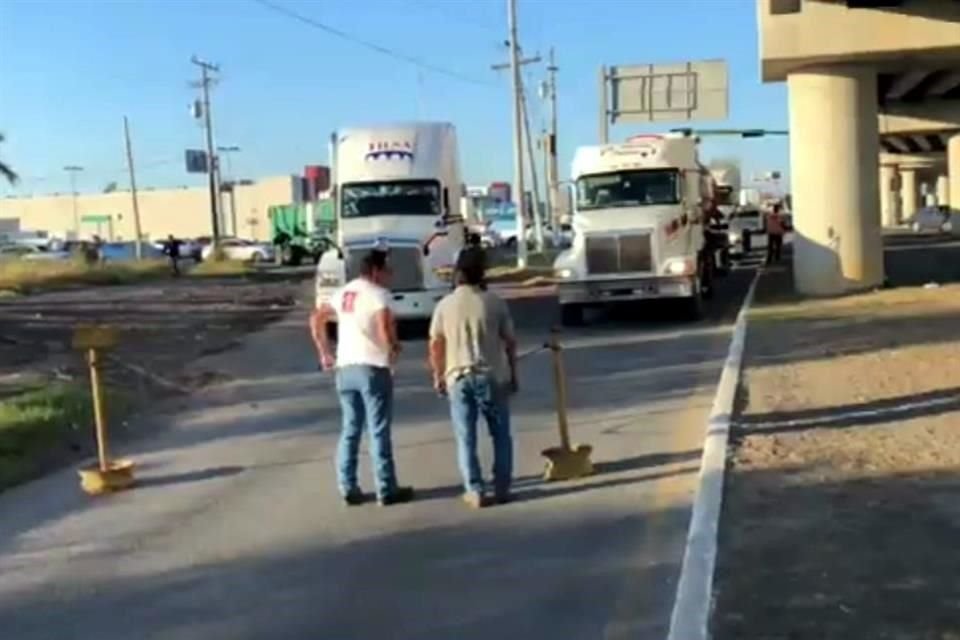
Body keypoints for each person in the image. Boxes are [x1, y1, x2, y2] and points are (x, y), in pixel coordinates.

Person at [311, 249, 414, 507]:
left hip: (346, 367)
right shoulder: (379, 295)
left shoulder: (345, 292)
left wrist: (325, 352)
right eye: (387, 270)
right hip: (372, 367)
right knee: (378, 430)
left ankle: (347, 485)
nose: (390, 275)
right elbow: (383, 327)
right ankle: (386, 487)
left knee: (350, 428)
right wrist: (391, 351)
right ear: (376, 271)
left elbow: (317, 317)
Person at [428, 249, 518, 508]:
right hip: (492, 375)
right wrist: (514, 373)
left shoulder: (444, 305)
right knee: (500, 434)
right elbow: (510, 342)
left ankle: (475, 489)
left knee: (466, 436)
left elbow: (436, 344)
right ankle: (502, 487)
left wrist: (438, 374)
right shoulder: (494, 302)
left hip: (458, 375)